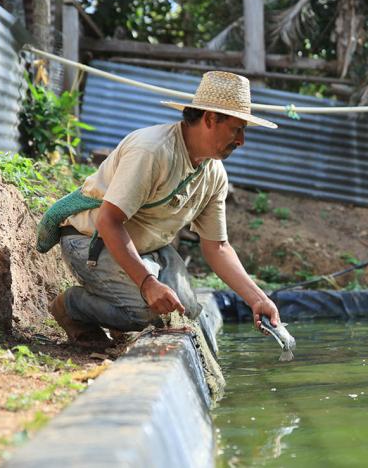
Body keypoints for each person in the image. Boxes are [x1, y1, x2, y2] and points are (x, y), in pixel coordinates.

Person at [47, 71, 281, 347]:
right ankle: (71, 306)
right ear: (210, 118)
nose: (241, 140)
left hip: (147, 247)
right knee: (147, 312)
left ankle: (122, 294)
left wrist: (258, 299)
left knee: (186, 311)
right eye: (237, 129)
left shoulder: (214, 173)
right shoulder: (152, 151)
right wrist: (147, 283)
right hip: (89, 240)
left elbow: (217, 247)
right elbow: (109, 222)